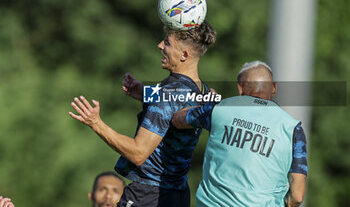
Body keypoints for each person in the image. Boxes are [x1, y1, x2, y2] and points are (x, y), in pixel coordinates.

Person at [69, 20, 216, 207]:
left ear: (184, 55)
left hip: (148, 196)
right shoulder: (202, 89)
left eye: (168, 43)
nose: (160, 45)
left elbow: (139, 153)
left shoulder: (167, 95)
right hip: (178, 195)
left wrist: (96, 123)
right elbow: (177, 106)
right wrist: (145, 93)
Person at [172, 61, 308, 207]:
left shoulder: (218, 109)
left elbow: (178, 119)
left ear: (240, 88)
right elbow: (297, 196)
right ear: (274, 87)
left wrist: (205, 105)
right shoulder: (292, 129)